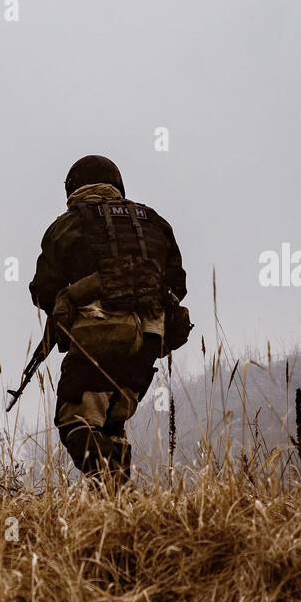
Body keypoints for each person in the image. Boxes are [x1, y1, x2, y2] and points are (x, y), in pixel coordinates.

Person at [28, 155, 190, 487]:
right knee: (112, 422)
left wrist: (70, 306)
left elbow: (43, 288)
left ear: (73, 187)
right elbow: (178, 284)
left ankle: (112, 486)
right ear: (117, 184)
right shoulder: (154, 221)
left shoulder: (69, 224)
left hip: (96, 337)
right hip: (148, 342)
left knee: (76, 423)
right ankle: (115, 508)